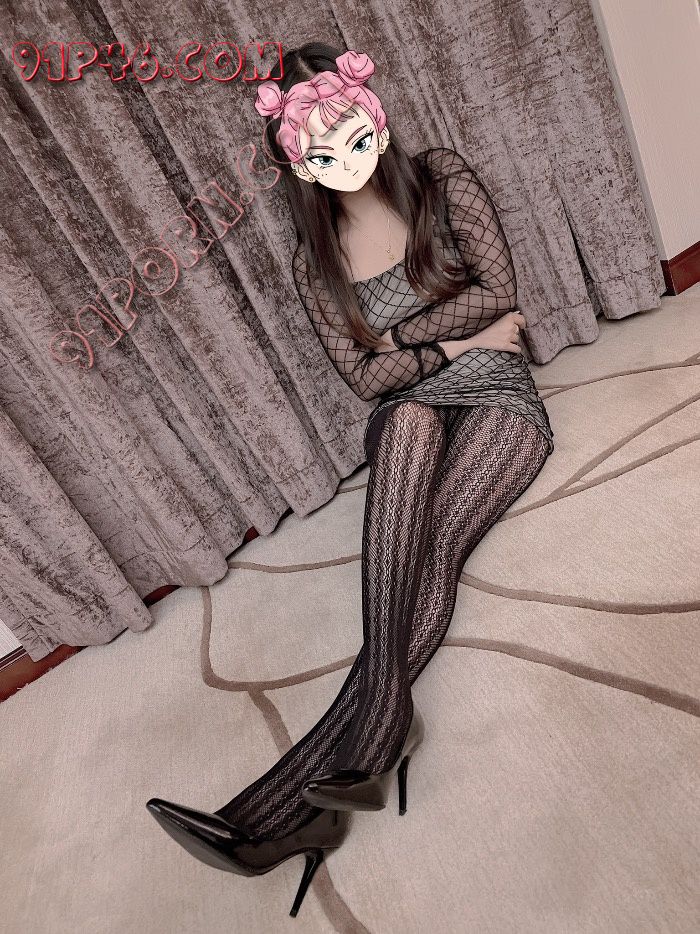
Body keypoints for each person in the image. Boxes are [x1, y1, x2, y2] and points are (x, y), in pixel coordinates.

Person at [146, 42, 554, 918]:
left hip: (498, 398)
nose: (341, 154)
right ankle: (370, 743)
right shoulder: (316, 259)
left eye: (350, 130)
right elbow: (367, 381)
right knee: (403, 421)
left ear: (375, 116)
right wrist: (447, 343)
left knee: (435, 547)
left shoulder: (441, 179)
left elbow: (500, 288)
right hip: (424, 397)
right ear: (297, 159)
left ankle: (278, 812)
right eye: (317, 145)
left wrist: (413, 342)